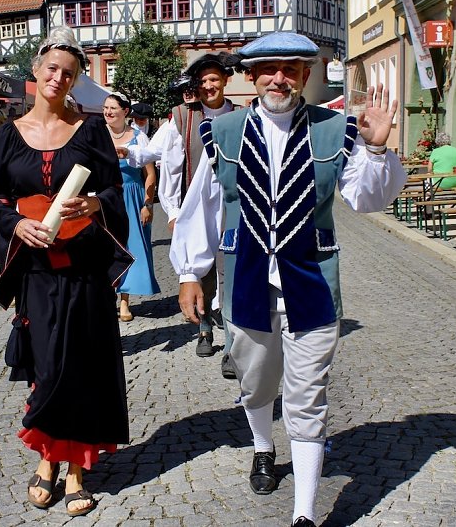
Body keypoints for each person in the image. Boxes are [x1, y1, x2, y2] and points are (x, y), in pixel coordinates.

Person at [170, 32, 406, 527]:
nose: (280, 77)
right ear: (252, 76)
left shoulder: (332, 129)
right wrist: (191, 272)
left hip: (313, 283)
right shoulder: (226, 131)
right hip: (247, 282)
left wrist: (379, 150)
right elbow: (204, 207)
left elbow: (365, 198)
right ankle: (261, 445)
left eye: (292, 69)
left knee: (307, 397)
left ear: (305, 75)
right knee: (256, 385)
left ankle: (303, 515)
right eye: (270, 69)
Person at [0, 26, 130, 518]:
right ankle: (47, 459)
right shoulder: (8, 135)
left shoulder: (90, 131)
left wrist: (94, 203)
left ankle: (74, 471)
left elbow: (113, 192)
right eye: (52, 69)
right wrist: (17, 223)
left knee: (81, 366)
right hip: (37, 276)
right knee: (46, 368)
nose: (59, 78)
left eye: (68, 74)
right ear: (36, 70)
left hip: (84, 274)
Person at [154, 52, 239, 364]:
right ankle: (205, 329)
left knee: (231, 270)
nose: (208, 86)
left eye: (214, 79)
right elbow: (172, 168)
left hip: (233, 205)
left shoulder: (241, 115)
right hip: (196, 205)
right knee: (199, 269)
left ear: (225, 81)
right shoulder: (183, 117)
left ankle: (232, 341)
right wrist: (174, 212)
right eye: (202, 81)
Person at [103, 92, 161, 322]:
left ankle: (124, 301)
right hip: (106, 198)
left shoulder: (139, 138)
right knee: (106, 249)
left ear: (125, 112)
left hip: (132, 196)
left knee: (131, 248)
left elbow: (149, 175)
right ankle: (106, 297)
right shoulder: (97, 135)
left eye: (113, 108)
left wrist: (148, 204)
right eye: (105, 107)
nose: (108, 112)